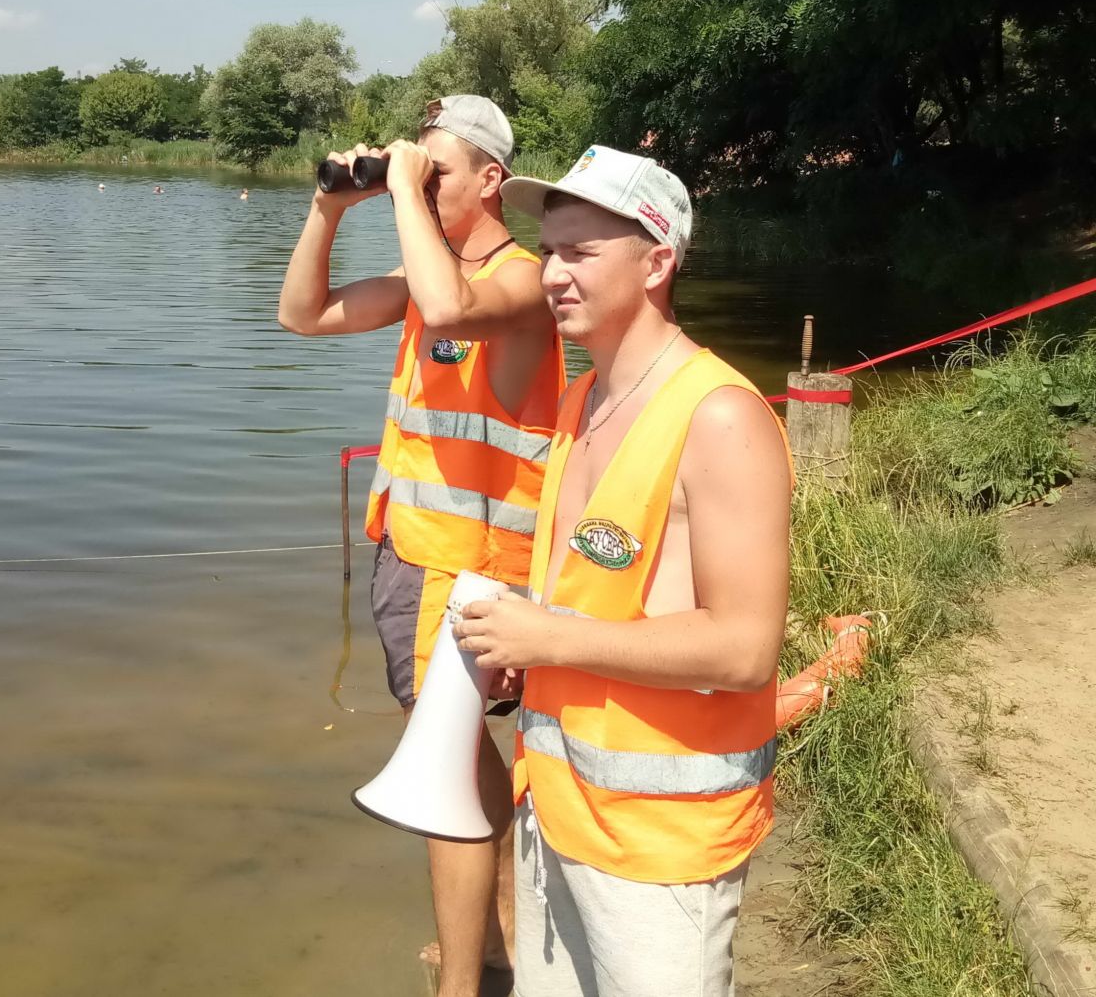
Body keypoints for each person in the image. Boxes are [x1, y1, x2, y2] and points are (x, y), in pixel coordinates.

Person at [454, 145, 793, 996]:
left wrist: (552, 634)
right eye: (549, 249)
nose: (551, 273)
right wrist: (520, 639)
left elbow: (745, 647)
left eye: (580, 251)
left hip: (662, 848)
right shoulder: (582, 400)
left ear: (657, 261)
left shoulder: (720, 418)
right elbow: (587, 599)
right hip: (556, 814)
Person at [280, 96, 562, 997]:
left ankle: (466, 983)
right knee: (466, 768)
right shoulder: (420, 285)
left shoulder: (521, 283)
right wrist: (330, 205)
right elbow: (302, 314)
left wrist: (398, 181)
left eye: (437, 170)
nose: (419, 180)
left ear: (491, 182)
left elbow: (451, 302)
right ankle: (500, 938)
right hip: (410, 553)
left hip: (468, 568)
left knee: (445, 777)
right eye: (416, 168)